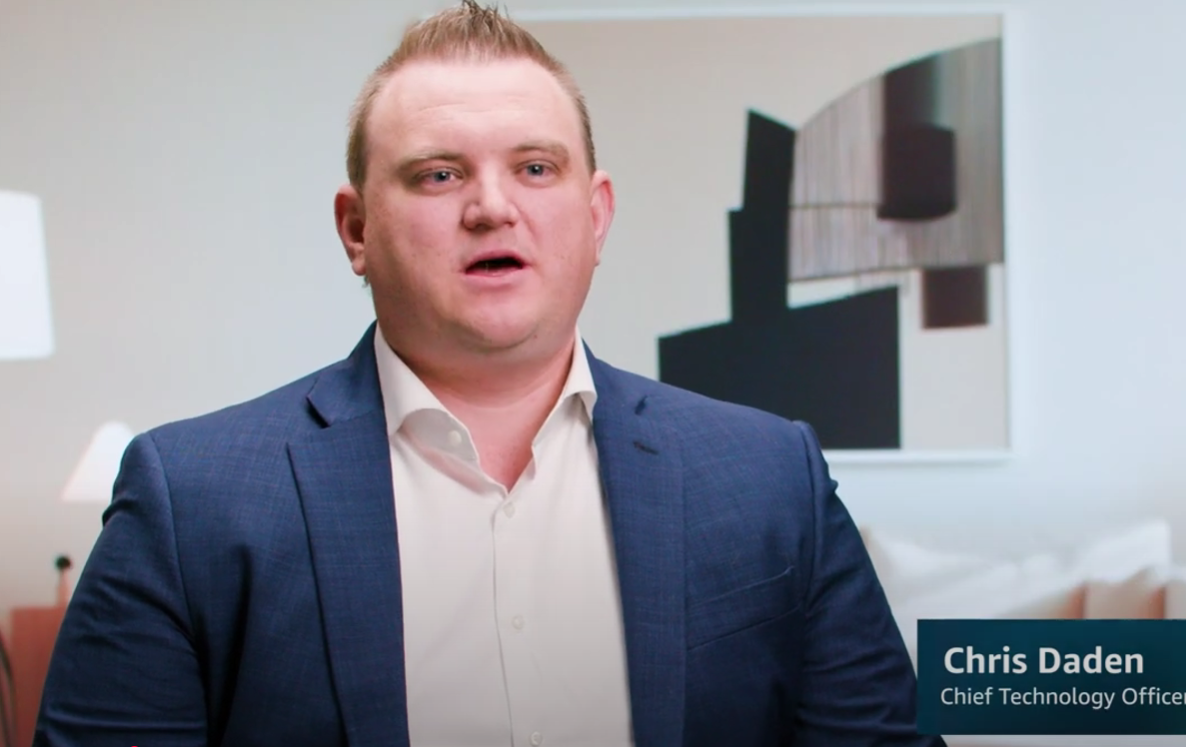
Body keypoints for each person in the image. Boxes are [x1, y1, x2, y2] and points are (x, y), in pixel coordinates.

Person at [36, 3, 944, 746]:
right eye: (438, 175)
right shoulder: (189, 498)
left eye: (535, 167)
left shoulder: (770, 474)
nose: (492, 207)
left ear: (596, 215)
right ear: (356, 230)